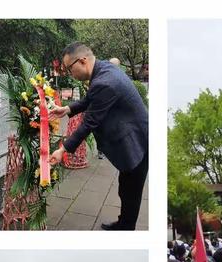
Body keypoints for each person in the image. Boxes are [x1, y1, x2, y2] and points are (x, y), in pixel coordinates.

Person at [49, 43, 148, 231]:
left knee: (131, 191)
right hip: (134, 135)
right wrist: (68, 109)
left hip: (137, 142)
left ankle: (127, 228)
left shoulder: (105, 81)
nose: (71, 74)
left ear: (83, 61)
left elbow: (89, 123)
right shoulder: (104, 69)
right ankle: (124, 222)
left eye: (70, 69)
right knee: (125, 187)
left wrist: (63, 150)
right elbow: (90, 99)